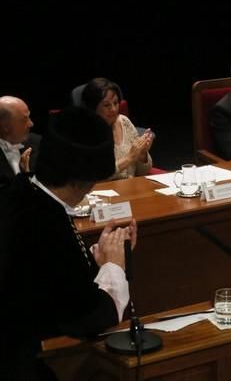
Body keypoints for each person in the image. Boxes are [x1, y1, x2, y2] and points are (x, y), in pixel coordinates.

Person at [0, 107, 137, 380]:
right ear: (86, 181)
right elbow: (89, 317)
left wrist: (90, 262)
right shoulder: (44, 223)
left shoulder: (21, 192)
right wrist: (113, 266)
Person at [81, 78, 153, 180]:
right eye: (106, 105)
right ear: (92, 108)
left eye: (115, 103)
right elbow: (95, 175)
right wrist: (129, 158)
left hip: (131, 189)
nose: (114, 109)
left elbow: (143, 172)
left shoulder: (124, 122)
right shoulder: (85, 132)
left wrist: (142, 155)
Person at [0, 95, 40, 188]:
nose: (31, 124)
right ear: (5, 126)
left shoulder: (38, 142)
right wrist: (25, 175)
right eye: (24, 119)